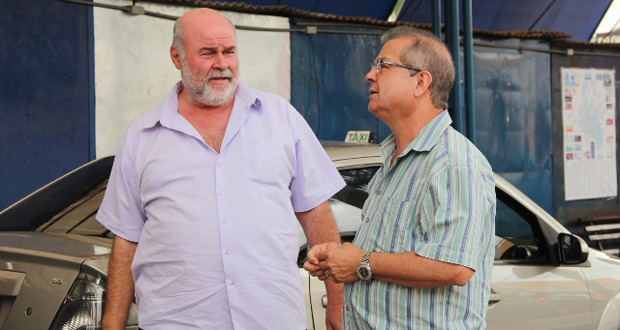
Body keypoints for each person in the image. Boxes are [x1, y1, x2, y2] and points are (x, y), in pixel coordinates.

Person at [97, 8, 345, 330]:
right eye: (208, 53)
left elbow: (316, 214)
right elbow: (126, 240)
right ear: (177, 57)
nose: (222, 64)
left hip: (272, 320)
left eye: (229, 51)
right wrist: (112, 325)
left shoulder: (280, 118)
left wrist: (337, 303)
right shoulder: (142, 135)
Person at [304, 25, 496, 329]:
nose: (370, 74)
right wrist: (339, 257)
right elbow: (386, 253)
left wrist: (361, 263)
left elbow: (454, 266)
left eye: (383, 65)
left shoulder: (453, 162)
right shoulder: (392, 163)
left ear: (421, 82)